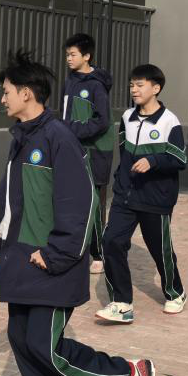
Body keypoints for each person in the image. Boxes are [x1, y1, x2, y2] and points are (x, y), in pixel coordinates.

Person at [0, 51, 155, 376]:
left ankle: (128, 375)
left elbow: (82, 204)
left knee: (46, 347)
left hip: (52, 265)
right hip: (22, 261)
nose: (2, 98)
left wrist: (57, 254)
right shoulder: (22, 139)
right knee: (24, 341)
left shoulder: (59, 138)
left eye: (6, 91)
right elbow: (9, 197)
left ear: (26, 93)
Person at [96, 64, 188, 324]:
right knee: (111, 242)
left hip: (156, 198)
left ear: (155, 88)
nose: (134, 90)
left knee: (159, 249)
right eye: (131, 85)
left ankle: (175, 292)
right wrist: (121, 179)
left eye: (139, 85)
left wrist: (153, 161)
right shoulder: (127, 117)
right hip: (125, 195)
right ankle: (121, 304)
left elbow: (180, 159)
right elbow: (124, 151)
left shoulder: (169, 121)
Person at [60, 33, 113, 273]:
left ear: (87, 56)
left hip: (95, 152)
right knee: (74, 200)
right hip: (73, 149)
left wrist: (71, 130)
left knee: (95, 203)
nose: (68, 59)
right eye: (67, 55)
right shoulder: (69, 82)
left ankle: (99, 254)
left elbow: (102, 121)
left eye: (73, 55)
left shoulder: (96, 85)